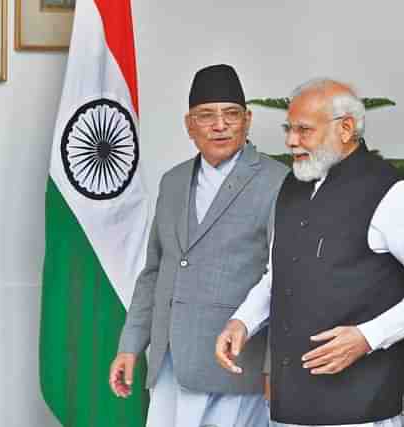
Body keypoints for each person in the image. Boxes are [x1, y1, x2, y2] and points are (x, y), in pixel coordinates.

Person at [216, 78, 404, 427]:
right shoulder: (292, 185)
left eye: (303, 129)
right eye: (289, 128)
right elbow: (279, 274)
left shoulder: (392, 192)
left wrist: (367, 338)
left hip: (360, 406)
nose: (290, 140)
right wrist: (242, 321)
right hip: (292, 405)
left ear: (345, 129)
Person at [109, 64, 288, 427]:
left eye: (230, 115)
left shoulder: (277, 181)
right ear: (190, 125)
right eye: (206, 116)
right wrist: (131, 345)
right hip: (168, 363)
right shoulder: (173, 182)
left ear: (247, 120)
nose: (219, 125)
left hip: (234, 367)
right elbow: (154, 272)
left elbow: (283, 279)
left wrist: (274, 368)